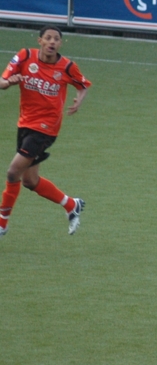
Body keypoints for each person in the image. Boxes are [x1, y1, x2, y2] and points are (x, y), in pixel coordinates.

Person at [0, 26, 91, 238]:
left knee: (13, 171)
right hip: (25, 125)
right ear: (39, 40)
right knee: (30, 181)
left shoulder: (67, 66)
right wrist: (9, 82)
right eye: (48, 38)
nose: (52, 42)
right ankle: (71, 204)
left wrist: (79, 100)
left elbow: (83, 85)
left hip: (46, 128)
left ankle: (2, 224)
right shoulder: (24, 56)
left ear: (60, 44)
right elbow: (2, 81)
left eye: (56, 39)